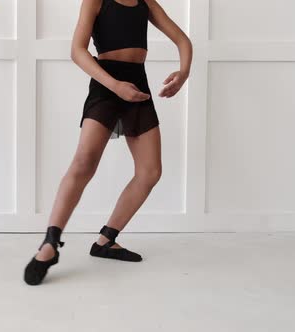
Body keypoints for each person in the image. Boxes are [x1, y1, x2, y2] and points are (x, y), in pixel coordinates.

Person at [24, 0, 192, 286]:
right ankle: (50, 244)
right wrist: (115, 86)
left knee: (150, 172)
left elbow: (182, 40)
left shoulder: (146, 2)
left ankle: (106, 241)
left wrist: (183, 72)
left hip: (137, 86)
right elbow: (77, 51)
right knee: (84, 162)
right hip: (106, 85)